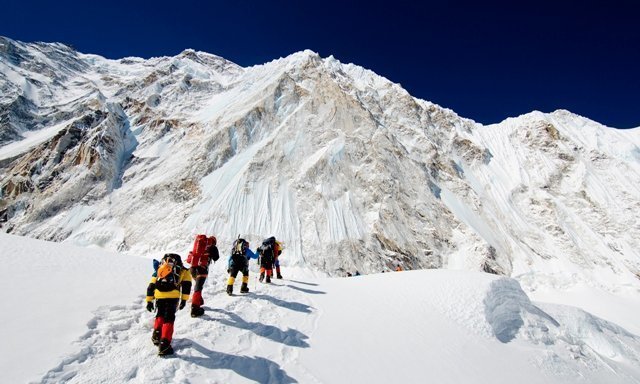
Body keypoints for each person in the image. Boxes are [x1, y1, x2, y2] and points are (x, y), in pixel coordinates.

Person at [145, 253, 192, 356]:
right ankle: (164, 345)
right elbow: (186, 286)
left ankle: (157, 336)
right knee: (169, 318)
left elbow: (151, 285)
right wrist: (184, 300)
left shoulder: (159, 268)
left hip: (159, 295)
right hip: (173, 296)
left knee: (160, 314)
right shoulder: (183, 270)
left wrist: (149, 300)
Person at [190, 236, 219, 318]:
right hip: (202, 268)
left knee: (198, 285)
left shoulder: (200, 244)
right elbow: (216, 257)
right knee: (198, 287)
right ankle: (195, 308)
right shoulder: (212, 246)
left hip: (193, 268)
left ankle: (199, 300)